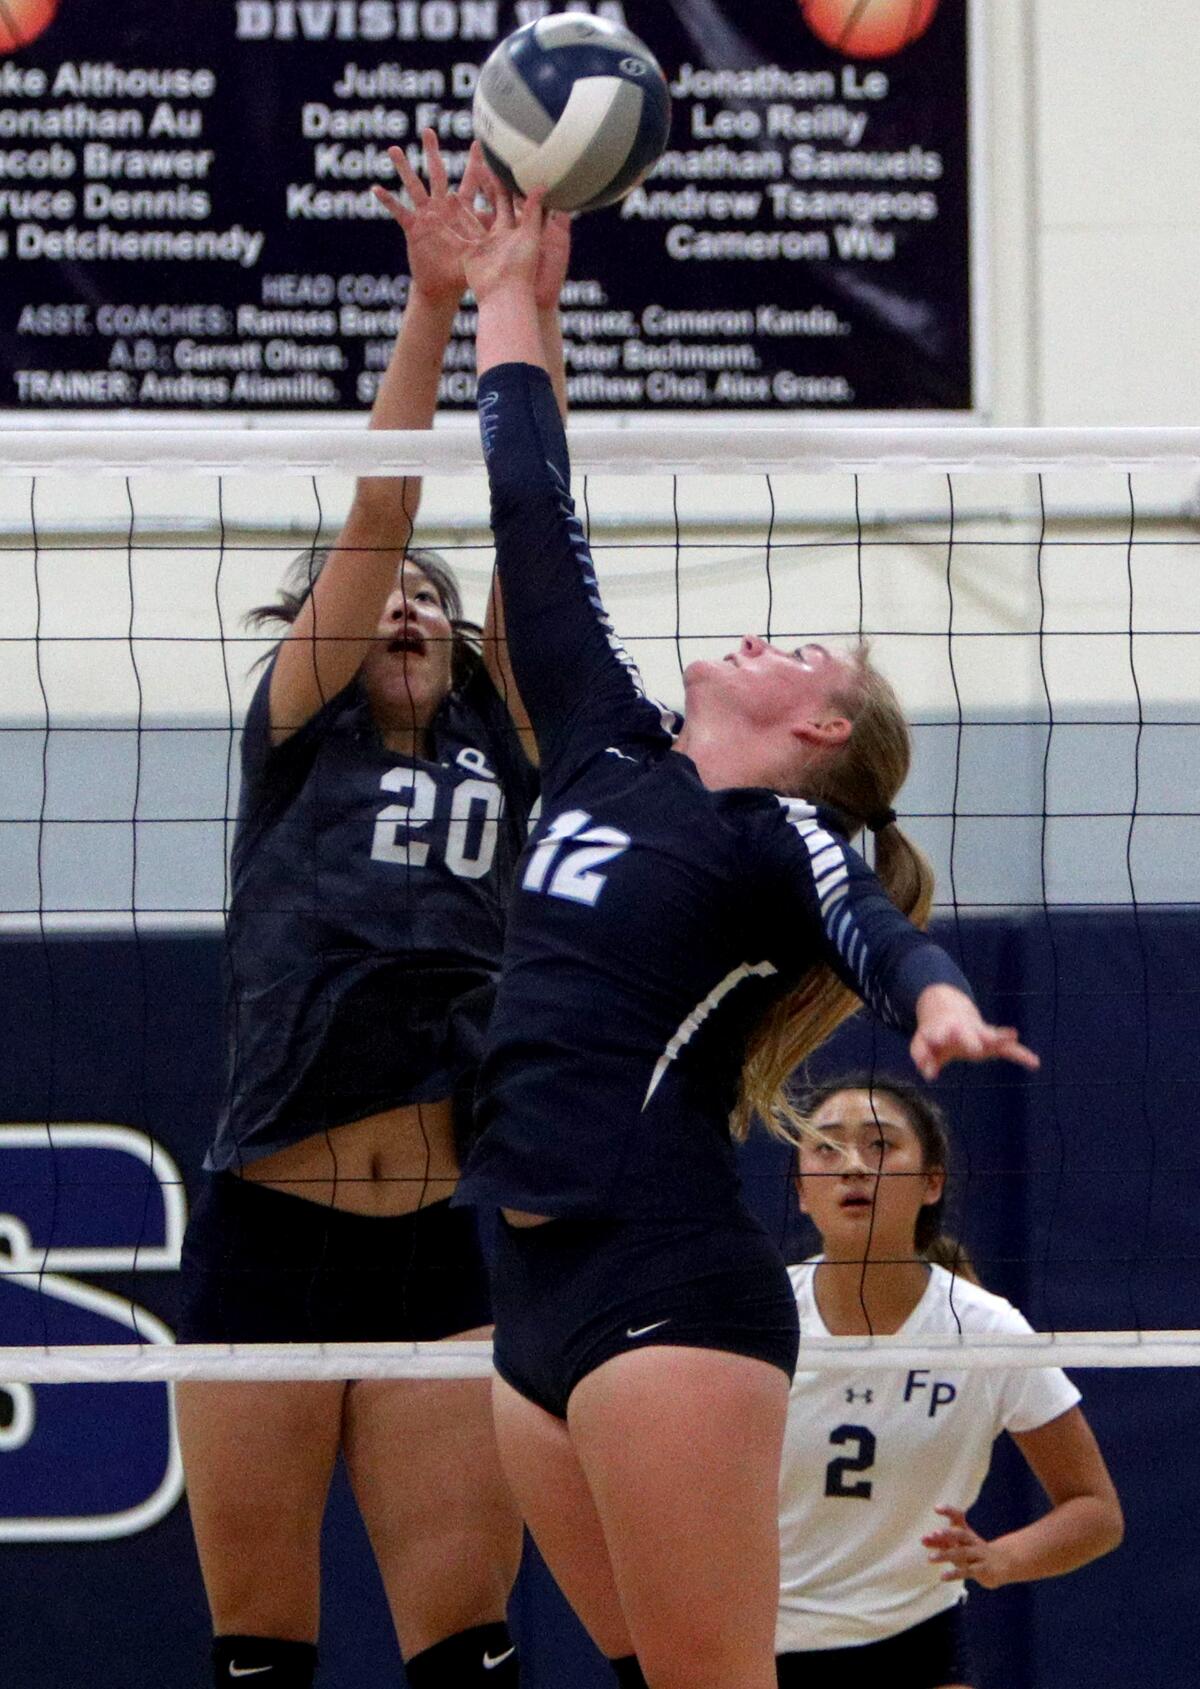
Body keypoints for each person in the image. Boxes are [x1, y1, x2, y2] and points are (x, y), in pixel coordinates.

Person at [447, 184, 1042, 1689]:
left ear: (819, 728)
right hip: (524, 1294)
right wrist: (509, 285)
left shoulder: (787, 836)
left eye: (807, 653)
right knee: (649, 1670)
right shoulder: (604, 747)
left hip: (664, 1283)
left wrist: (945, 1001)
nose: (769, 633)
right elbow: (532, 508)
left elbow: (874, 931)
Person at [174, 136, 565, 1689]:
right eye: (387, 592)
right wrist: (429, 313)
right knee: (263, 1653)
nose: (409, 605)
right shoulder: (299, 728)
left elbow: (540, 538)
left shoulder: (507, 740)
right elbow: (381, 522)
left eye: (432, 600)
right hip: (273, 1233)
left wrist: (523, 309)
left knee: (463, 1651)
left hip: (441, 1252)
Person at [777, 1075, 1123, 1689]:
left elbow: (1096, 1511)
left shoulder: (985, 1329)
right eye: (826, 1148)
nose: (853, 1165)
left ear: (931, 1182)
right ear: (803, 1191)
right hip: (760, 1640)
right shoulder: (758, 1317)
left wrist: (1001, 1560)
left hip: (916, 1641)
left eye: (881, 1145)